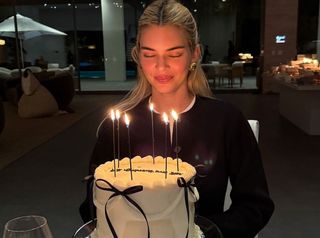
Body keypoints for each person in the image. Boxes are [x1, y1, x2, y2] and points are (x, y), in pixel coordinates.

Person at [80, 0, 274, 237]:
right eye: (149, 54)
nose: (161, 66)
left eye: (174, 53)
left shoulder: (226, 121)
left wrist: (202, 233)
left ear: (195, 53)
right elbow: (91, 204)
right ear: (138, 57)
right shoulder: (118, 126)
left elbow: (255, 206)